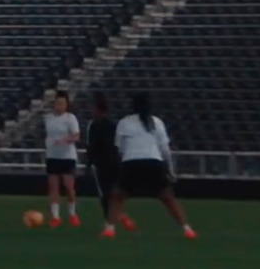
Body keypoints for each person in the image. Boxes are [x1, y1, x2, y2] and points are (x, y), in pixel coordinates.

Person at [102, 94, 196, 239]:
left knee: (117, 196)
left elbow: (119, 149)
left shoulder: (124, 122)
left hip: (131, 163)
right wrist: (171, 170)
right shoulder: (156, 122)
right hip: (153, 162)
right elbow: (165, 149)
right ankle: (187, 229)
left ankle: (109, 229)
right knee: (167, 198)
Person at [85, 94, 135, 231]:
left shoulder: (94, 125)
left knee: (104, 194)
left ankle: (110, 222)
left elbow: (92, 146)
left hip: (101, 164)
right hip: (115, 162)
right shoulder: (113, 124)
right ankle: (119, 216)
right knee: (114, 192)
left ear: (96, 109)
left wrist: (88, 164)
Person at [44, 92, 83, 227]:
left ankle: (72, 213)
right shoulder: (48, 118)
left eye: (62, 103)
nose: (59, 106)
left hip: (67, 156)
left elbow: (76, 136)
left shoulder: (70, 118)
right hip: (52, 155)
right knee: (53, 187)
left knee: (69, 187)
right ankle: (55, 216)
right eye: (57, 103)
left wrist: (65, 140)